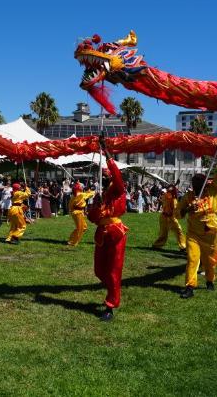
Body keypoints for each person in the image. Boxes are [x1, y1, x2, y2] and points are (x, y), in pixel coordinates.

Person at [178, 144, 217, 299]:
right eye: (194, 183)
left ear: (204, 183)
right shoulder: (188, 197)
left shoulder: (212, 191)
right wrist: (188, 209)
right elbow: (178, 213)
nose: (196, 186)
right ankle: (190, 286)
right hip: (193, 234)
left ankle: (210, 280)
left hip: (209, 234)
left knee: (209, 261)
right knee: (193, 259)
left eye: (199, 183)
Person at [87, 138, 128, 321]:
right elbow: (93, 218)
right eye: (102, 175)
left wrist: (107, 153)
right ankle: (112, 287)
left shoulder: (118, 190)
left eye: (106, 175)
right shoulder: (102, 196)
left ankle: (110, 305)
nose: (103, 177)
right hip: (102, 234)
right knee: (99, 270)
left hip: (115, 233)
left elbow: (117, 176)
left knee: (113, 271)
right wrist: (94, 206)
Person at [152, 184, 187, 251]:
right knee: (164, 233)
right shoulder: (167, 197)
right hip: (165, 217)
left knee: (178, 231)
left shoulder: (172, 198)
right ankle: (157, 245)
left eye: (170, 190)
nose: (169, 191)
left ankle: (183, 246)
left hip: (170, 218)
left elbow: (175, 209)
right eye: (168, 190)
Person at [67, 182, 95, 247]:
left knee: (84, 227)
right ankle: (72, 242)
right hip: (78, 213)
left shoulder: (73, 196)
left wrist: (88, 191)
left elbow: (70, 205)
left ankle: (72, 239)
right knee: (80, 228)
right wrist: (90, 190)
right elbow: (90, 194)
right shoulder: (81, 195)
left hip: (76, 212)